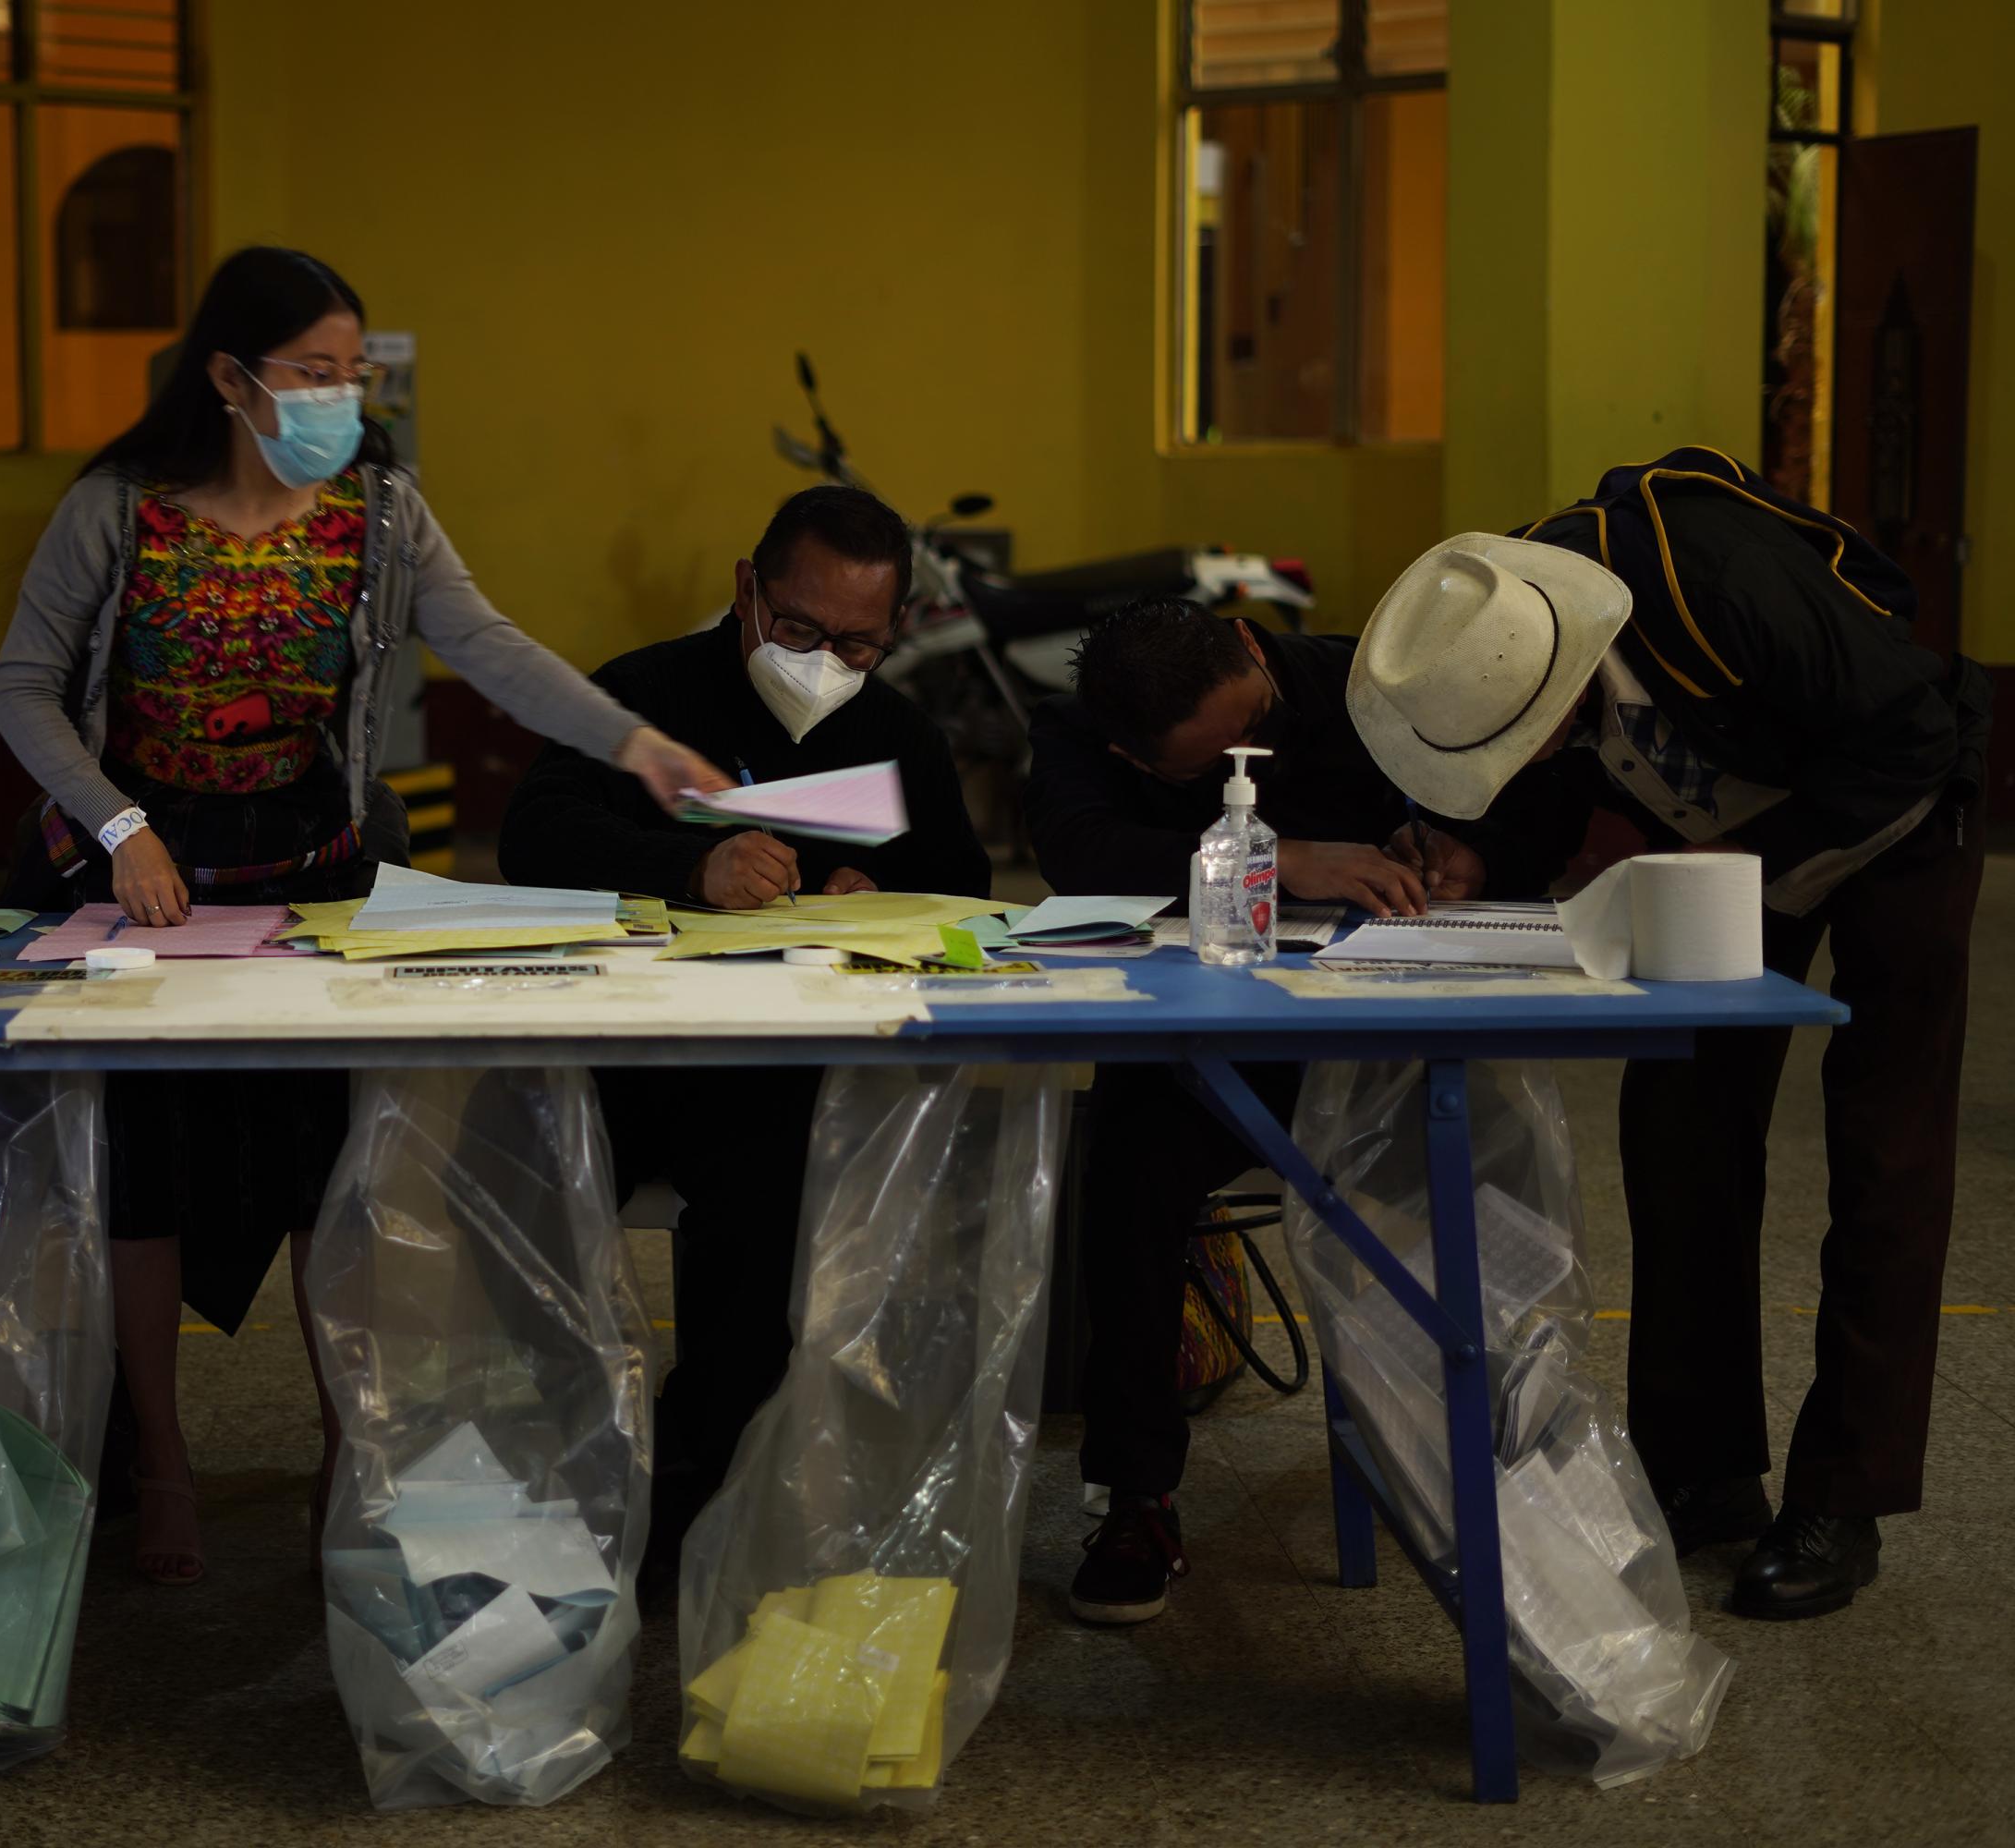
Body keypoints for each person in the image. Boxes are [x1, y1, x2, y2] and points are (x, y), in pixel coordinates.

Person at [0, 246, 727, 1586]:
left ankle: (350, 1450)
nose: (339, 397)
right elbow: (24, 689)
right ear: (229, 377)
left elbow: (487, 644)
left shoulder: (379, 512)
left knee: (327, 1172)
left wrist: (634, 743)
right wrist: (121, 827)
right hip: (141, 875)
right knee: (141, 1183)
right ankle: (161, 1460)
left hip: (308, 866)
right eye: (310, 373)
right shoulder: (118, 508)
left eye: (352, 372)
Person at [1350, 455, 1990, 1620]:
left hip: (1894, 804)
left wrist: (1747, 870)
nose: (1527, 757)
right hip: (1723, 824)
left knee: (1887, 1151)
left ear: (1566, 677)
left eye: (1528, 740)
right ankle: (1702, 1470)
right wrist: (1480, 852)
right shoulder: (1497, 624)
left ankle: (1843, 1498)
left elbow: (1915, 736)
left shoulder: (1728, 583)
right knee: (1683, 1117)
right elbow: (1554, 775)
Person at [1025, 599, 1575, 1624]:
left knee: (1485, 1176)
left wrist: (1474, 850)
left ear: (1249, 643)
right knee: (1133, 1167)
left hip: (1387, 1038)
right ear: (1133, 754)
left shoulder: (1371, 685)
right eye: (1207, 766)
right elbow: (1079, 850)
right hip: (1213, 1046)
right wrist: (1282, 859)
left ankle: (1512, 1462)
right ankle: (1137, 1492)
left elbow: (1542, 799)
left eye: (1259, 728)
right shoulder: (1076, 732)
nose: (1251, 758)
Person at [497, 482, 992, 1556]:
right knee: (517, 1180)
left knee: (761, 1219)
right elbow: (536, 835)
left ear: (897, 631)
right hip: (625, 1050)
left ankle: (701, 1474)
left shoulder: (898, 734)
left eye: (858, 643)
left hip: (785, 1074)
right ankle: (536, 1466)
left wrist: (877, 884)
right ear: (745, 589)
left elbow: (961, 882)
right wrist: (688, 864)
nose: (824, 660)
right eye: (800, 628)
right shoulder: (644, 695)